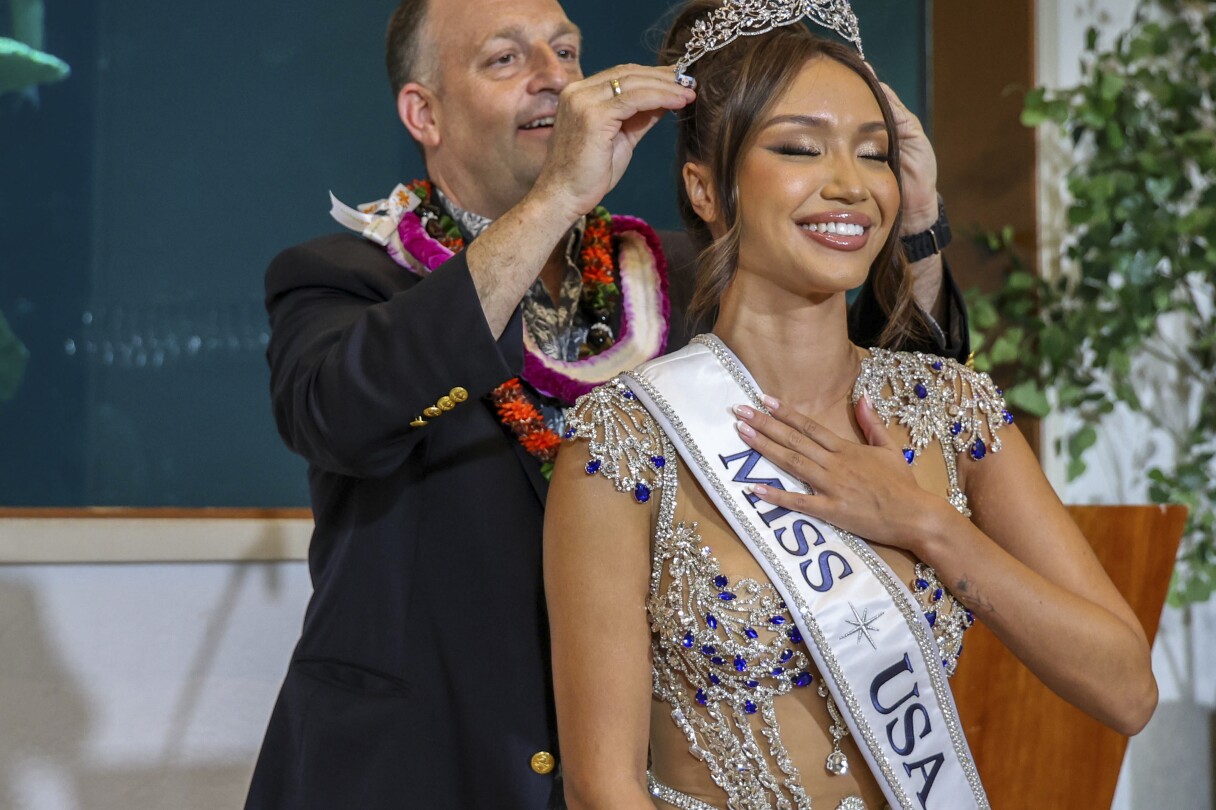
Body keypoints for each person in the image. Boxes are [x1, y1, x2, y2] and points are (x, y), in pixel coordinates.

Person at [247, 0, 968, 806]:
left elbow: (908, 407)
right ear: (425, 112)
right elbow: (338, 414)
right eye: (506, 61)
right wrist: (557, 195)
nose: (554, 80)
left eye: (565, 51)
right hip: (419, 767)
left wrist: (918, 217)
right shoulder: (345, 276)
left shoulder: (673, 277)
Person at [543, 3, 1159, 809]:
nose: (850, 186)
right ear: (705, 187)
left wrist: (925, 523)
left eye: (874, 155)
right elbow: (603, 791)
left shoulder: (952, 409)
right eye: (800, 148)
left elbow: (1126, 690)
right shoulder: (623, 439)